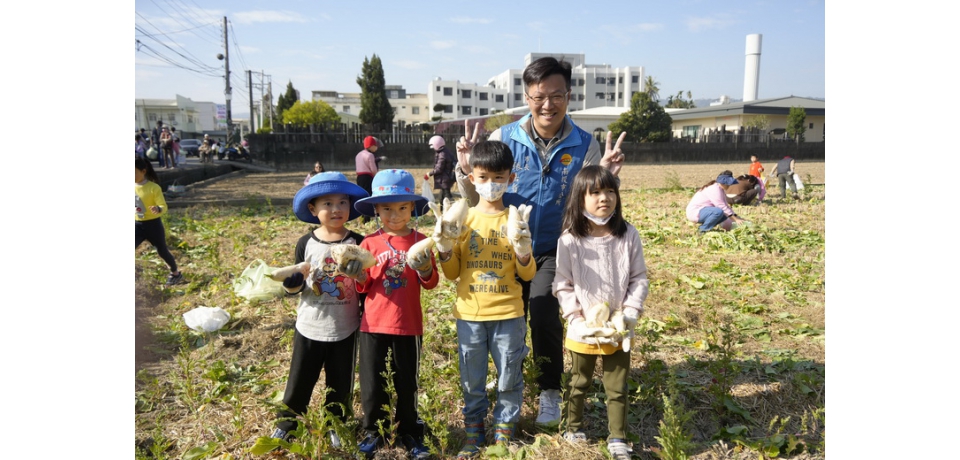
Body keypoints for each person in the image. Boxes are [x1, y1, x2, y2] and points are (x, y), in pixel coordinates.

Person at [455, 56, 626, 427]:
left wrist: (606, 179)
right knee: (502, 317)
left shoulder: (584, 144)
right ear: (527, 97)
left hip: (552, 246)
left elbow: (592, 203)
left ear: (568, 95)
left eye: (556, 95)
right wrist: (466, 172)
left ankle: (549, 389)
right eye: (538, 96)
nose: (547, 104)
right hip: (502, 248)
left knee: (544, 312)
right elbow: (476, 199)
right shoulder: (505, 137)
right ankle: (505, 378)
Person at [434, 141, 536, 458]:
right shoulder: (462, 219)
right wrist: (445, 248)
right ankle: (474, 434)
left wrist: (523, 251)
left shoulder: (516, 217)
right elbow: (452, 273)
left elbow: (529, 274)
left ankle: (504, 434)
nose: (491, 184)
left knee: (509, 378)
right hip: (470, 316)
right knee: (472, 380)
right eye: (483, 176)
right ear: (471, 177)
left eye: (498, 177)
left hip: (508, 314)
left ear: (510, 179)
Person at [269, 172, 370, 449]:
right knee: (300, 378)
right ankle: (288, 423)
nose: (336, 209)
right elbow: (298, 285)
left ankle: (334, 423)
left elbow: (365, 286)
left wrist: (360, 277)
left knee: (340, 383)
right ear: (313, 209)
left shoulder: (359, 243)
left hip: (345, 326)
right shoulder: (306, 243)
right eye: (327, 204)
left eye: (342, 202)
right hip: (310, 324)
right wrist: (291, 285)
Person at [553, 165, 647, 460]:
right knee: (579, 381)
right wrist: (575, 318)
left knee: (616, 385)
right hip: (584, 326)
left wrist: (630, 312)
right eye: (594, 192)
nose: (604, 198)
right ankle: (572, 426)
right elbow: (563, 283)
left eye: (609, 191)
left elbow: (639, 278)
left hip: (618, 327)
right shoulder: (569, 240)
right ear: (580, 198)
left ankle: (618, 436)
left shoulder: (628, 235)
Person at [347, 169, 439, 459]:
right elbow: (363, 287)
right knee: (372, 382)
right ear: (376, 209)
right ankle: (374, 430)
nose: (395, 215)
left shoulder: (422, 241)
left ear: (412, 207)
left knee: (407, 381)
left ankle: (409, 430)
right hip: (373, 324)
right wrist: (357, 274)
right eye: (386, 208)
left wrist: (425, 268)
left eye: (402, 207)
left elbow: (432, 282)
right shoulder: (368, 244)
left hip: (408, 324)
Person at [136, 157, 184, 285]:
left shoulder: (153, 188)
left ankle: (175, 273)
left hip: (153, 225)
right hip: (136, 224)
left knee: (162, 251)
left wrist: (158, 209)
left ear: (143, 171)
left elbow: (164, 206)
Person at [425, 135, 456, 202]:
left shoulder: (442, 155)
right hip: (446, 179)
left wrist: (429, 173)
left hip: (444, 179)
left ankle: (451, 209)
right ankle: (442, 210)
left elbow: (439, 169)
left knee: (447, 197)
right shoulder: (446, 151)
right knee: (442, 198)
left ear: (436, 145)